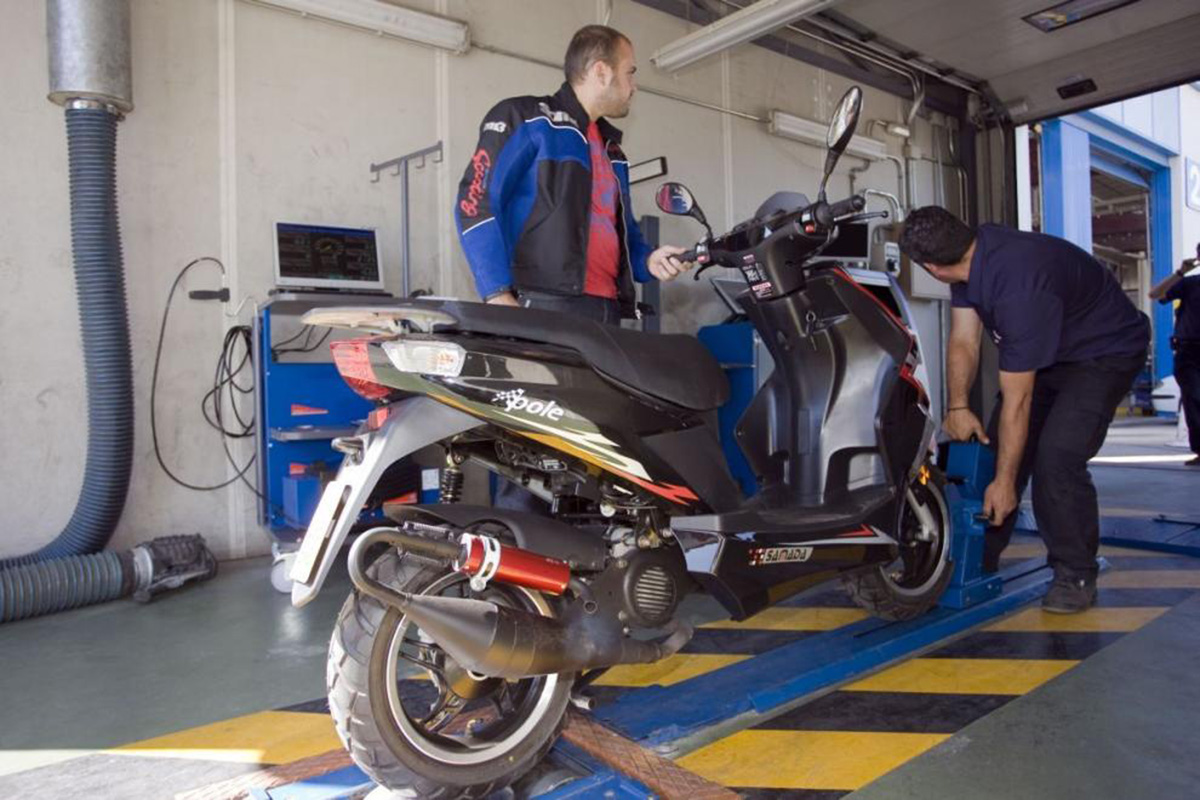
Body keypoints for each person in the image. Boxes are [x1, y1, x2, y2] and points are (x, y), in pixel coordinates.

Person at [900, 207, 1150, 613]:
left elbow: (1019, 399)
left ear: (932, 268)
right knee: (994, 448)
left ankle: (1075, 572)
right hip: (1053, 349)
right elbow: (964, 340)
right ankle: (977, 556)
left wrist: (1006, 481)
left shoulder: (1019, 288)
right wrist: (959, 406)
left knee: (1058, 456)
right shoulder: (972, 257)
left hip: (1104, 352)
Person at [454, 24, 692, 324]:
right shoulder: (525, 119)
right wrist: (497, 294)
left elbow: (624, 234)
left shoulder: (613, 152)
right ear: (602, 72)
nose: (634, 86)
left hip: (607, 311)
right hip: (542, 305)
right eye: (630, 72)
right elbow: (475, 204)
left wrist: (648, 260)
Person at [1148, 245, 1200, 466]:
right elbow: (1155, 294)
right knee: (1194, 399)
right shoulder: (1190, 284)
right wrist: (1180, 272)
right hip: (1189, 350)